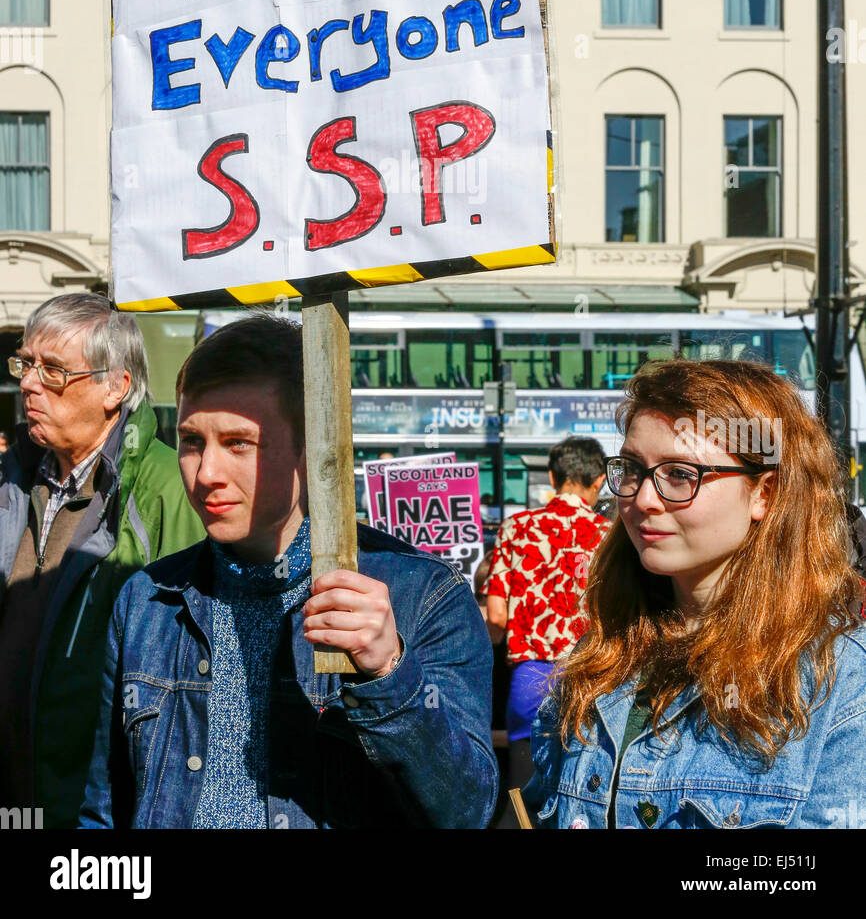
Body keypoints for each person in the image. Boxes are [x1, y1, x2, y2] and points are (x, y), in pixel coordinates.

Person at [80, 313, 497, 830]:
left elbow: (465, 811)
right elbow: (104, 809)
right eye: (192, 441)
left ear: (311, 449)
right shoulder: (148, 600)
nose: (207, 472)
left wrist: (389, 671)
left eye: (239, 443)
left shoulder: (420, 595)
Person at [524, 359, 866, 829]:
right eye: (632, 469)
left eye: (681, 475)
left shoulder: (840, 684)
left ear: (764, 492)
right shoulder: (601, 656)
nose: (643, 498)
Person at [0, 293, 203, 828]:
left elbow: (193, 668)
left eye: (54, 371)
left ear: (115, 387)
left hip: (101, 805)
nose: (28, 383)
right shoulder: (13, 478)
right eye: (25, 363)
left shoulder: (163, 486)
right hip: (16, 795)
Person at [483, 436, 611, 812]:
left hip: (531, 684)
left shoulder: (516, 528)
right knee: (582, 807)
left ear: (553, 477)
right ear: (599, 480)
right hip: (591, 684)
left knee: (522, 806)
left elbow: (496, 616)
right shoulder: (608, 537)